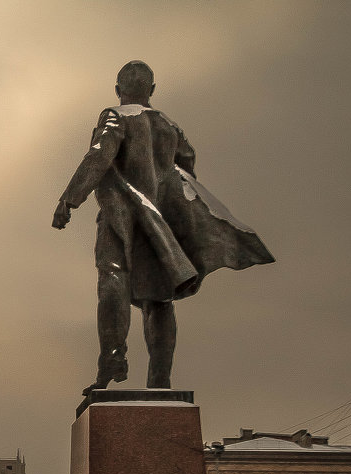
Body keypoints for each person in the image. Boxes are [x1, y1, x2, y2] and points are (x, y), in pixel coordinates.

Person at [52, 60, 274, 395]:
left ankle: (113, 359)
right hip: (160, 225)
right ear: (152, 91)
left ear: (118, 90)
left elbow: (99, 155)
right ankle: (160, 380)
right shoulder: (170, 126)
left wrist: (69, 199)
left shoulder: (115, 115)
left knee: (112, 278)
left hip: (121, 218)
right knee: (159, 299)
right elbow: (187, 168)